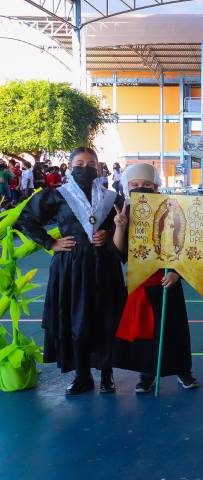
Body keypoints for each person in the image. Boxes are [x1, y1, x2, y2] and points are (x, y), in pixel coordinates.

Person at [17, 147, 124, 395]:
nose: (85, 168)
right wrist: (50, 242)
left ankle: (107, 374)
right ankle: (82, 376)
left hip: (104, 265)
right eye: (79, 163)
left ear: (98, 167)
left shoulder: (112, 198)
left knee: (106, 319)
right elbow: (26, 219)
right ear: (70, 166)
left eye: (91, 164)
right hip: (71, 266)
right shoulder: (57, 195)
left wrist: (110, 234)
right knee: (77, 321)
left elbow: (125, 228)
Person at [112, 163, 199, 393]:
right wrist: (120, 227)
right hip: (141, 282)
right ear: (127, 187)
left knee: (175, 329)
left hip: (168, 281)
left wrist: (177, 274)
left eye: (147, 184)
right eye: (135, 184)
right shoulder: (125, 212)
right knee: (146, 331)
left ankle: (183, 370)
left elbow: (186, 245)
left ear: (156, 187)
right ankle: (147, 373)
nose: (141, 188)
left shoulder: (171, 207)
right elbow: (120, 253)